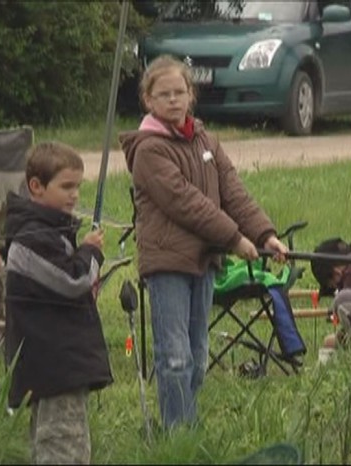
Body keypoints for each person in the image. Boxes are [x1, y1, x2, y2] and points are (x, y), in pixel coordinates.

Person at [119, 55, 288, 431]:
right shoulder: (149, 151)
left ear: (191, 94)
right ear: (148, 100)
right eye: (164, 94)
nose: (173, 100)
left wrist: (265, 235)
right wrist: (235, 239)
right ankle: (178, 436)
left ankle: (185, 430)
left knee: (197, 354)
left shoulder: (206, 140)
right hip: (167, 265)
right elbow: (186, 204)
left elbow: (234, 192)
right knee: (174, 356)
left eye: (180, 92)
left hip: (204, 260)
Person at [3, 142, 112, 464]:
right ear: (36, 186)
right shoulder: (33, 237)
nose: (75, 195)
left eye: (78, 187)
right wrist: (91, 251)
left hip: (58, 366)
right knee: (63, 449)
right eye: (66, 186)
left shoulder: (49, 233)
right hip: (55, 368)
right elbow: (72, 281)